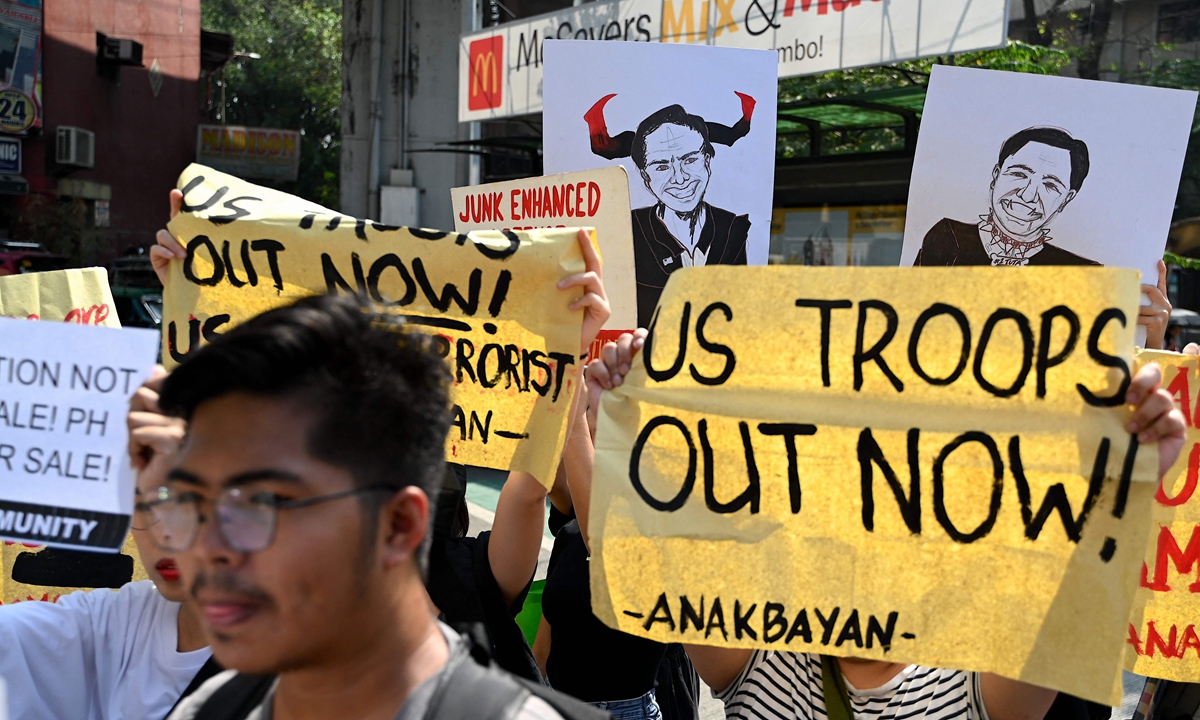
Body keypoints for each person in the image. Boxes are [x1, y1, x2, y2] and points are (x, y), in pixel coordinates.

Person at [585, 329, 1188, 720]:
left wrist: (1117, 487)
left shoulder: (965, 687)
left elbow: (1066, 598)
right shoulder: (759, 659)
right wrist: (628, 415)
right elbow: (664, 536)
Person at [155, 235, 609, 719]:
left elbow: (528, 485)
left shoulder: (471, 587)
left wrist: (563, 359)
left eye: (269, 504)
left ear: (399, 524)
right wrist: (193, 295)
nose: (211, 546)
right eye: (197, 501)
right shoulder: (210, 709)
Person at [0, 369, 212, 720]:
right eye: (140, 504)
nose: (162, 533)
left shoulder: (315, 642)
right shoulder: (122, 619)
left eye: (183, 501)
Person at [584, 93, 753, 326]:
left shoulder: (732, 229)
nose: (680, 178)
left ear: (708, 160)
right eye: (662, 166)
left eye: (690, 160)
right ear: (645, 177)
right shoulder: (627, 231)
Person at [914, 126, 1097, 267]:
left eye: (1050, 185)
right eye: (1019, 174)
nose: (1027, 196)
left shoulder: (1081, 270)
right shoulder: (948, 236)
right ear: (996, 175)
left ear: (1066, 199)